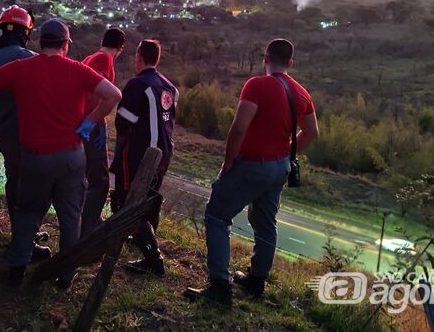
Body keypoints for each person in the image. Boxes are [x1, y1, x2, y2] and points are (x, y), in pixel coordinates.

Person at [0, 19, 122, 288]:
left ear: (41, 42)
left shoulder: (22, 69)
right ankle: (65, 275)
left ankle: (16, 270)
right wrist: (90, 121)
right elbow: (114, 94)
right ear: (66, 45)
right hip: (71, 156)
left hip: (36, 159)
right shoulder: (78, 70)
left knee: (27, 214)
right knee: (70, 218)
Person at [185, 38, 319, 307]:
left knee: (217, 215)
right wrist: (287, 152)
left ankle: (220, 286)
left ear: (265, 58)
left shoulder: (256, 85)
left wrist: (228, 162)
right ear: (290, 63)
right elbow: (313, 133)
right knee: (266, 223)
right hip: (280, 167)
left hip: (252, 164)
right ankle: (256, 281)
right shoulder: (302, 94)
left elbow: (238, 129)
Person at [0, 5, 52, 261]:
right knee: (38, 188)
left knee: (14, 183)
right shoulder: (30, 61)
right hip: (33, 136)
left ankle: (22, 235)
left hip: (5, 136)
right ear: (26, 31)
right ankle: (25, 243)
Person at [109, 39, 177, 277]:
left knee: (127, 201)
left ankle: (152, 259)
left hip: (141, 153)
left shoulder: (138, 85)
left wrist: (119, 153)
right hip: (164, 152)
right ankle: (146, 240)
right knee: (149, 198)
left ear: (139, 57)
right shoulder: (169, 87)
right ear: (156, 58)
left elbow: (122, 124)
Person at [80, 27, 126, 237]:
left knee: (88, 175)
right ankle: (89, 228)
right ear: (120, 49)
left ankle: (87, 220)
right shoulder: (104, 59)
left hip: (84, 120)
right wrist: (94, 119)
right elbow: (96, 88)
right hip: (92, 123)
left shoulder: (90, 57)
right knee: (100, 180)